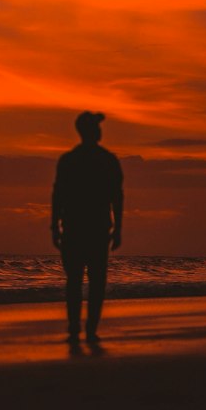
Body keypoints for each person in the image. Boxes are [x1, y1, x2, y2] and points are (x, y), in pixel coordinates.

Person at [51, 110, 124, 343]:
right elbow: (117, 196)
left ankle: (77, 326)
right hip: (94, 229)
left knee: (75, 279)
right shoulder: (106, 160)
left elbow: (58, 195)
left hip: (76, 228)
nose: (101, 131)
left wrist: (54, 225)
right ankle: (89, 328)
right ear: (91, 131)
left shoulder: (69, 160)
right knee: (95, 280)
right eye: (97, 127)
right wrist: (119, 228)